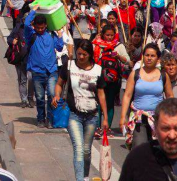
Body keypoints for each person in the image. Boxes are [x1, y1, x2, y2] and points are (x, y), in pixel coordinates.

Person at [52, 39, 107, 181]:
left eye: (84, 54)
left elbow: (101, 94)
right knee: (79, 149)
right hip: (73, 114)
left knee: (87, 150)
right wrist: (57, 95)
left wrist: (105, 117)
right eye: (79, 54)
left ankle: (85, 177)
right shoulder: (69, 66)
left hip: (92, 115)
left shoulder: (98, 70)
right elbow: (59, 83)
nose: (81, 57)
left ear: (90, 55)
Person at [120, 43, 173, 149]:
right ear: (143, 57)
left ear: (158, 58)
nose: (149, 58)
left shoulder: (163, 75)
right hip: (139, 118)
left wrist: (170, 116)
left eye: (152, 56)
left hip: (158, 119)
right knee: (139, 148)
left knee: (157, 151)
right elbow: (127, 96)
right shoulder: (135, 74)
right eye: (147, 55)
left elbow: (170, 96)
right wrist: (122, 117)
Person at [23, 13, 63, 127]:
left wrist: (60, 36)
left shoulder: (51, 34)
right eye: (38, 27)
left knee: (51, 95)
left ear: (46, 25)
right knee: (40, 98)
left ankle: (50, 119)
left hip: (51, 71)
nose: (40, 29)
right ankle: (40, 118)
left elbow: (59, 47)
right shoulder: (31, 35)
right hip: (37, 71)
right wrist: (34, 11)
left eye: (42, 27)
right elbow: (26, 24)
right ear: (34, 26)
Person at [91, 24, 130, 131]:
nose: (109, 37)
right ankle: (98, 126)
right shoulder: (96, 45)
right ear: (103, 34)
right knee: (99, 102)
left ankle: (107, 127)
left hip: (114, 79)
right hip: (99, 78)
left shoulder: (119, 46)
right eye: (107, 35)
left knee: (110, 102)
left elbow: (127, 60)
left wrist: (117, 56)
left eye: (112, 35)